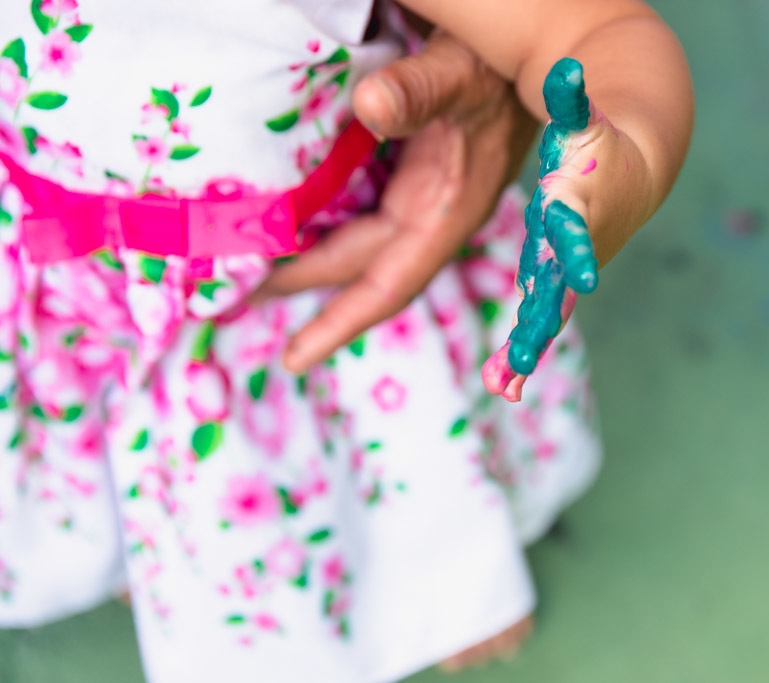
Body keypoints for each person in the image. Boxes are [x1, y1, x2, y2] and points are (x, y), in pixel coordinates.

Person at [0, 1, 693, 681]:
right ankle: (141, 545)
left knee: (377, 488)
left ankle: (444, 574)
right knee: (93, 473)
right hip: (57, 272)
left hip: (302, 281)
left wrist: (616, 169)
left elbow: (595, 28)